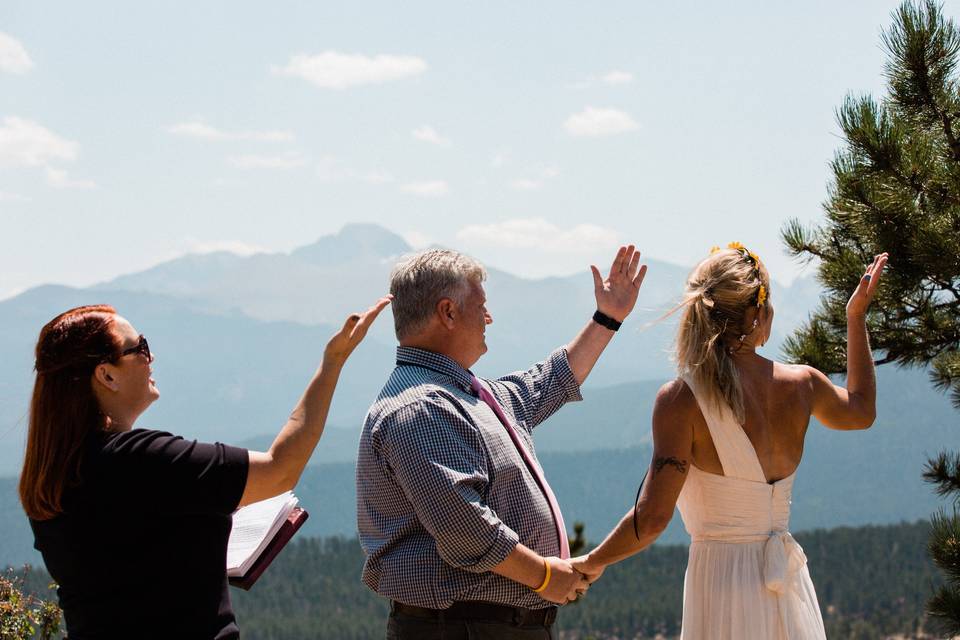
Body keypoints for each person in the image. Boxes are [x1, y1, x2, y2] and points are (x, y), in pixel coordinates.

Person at [19, 296, 391, 639]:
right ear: (107, 375)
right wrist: (333, 362)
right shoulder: (143, 460)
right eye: (140, 348)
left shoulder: (49, 479)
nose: (151, 357)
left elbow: (134, 561)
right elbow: (281, 469)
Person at [572, 244, 889, 640]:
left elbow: (652, 518)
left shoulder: (681, 400)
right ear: (757, 314)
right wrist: (855, 317)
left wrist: (591, 562)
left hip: (720, 586)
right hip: (789, 588)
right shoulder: (803, 383)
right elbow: (861, 410)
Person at [356, 246, 647, 639]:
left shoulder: (470, 394)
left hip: (484, 624)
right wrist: (545, 577)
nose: (488, 317)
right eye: (481, 305)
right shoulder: (421, 408)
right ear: (448, 312)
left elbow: (551, 381)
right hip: (463, 627)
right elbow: (466, 528)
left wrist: (607, 318)